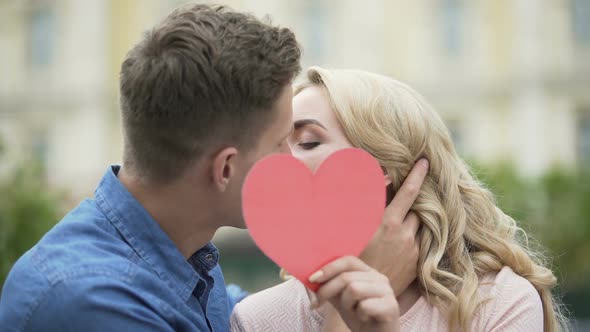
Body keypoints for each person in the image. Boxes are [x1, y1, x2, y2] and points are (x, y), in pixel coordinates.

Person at [0, 5, 426, 332]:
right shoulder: (92, 302)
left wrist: (344, 255)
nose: (292, 162)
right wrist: (351, 310)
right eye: (282, 142)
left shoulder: (185, 258)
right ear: (225, 169)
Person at [230, 67, 570, 332]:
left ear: (386, 166)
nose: (279, 163)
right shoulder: (258, 318)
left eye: (307, 142)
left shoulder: (498, 303)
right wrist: (342, 319)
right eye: (277, 144)